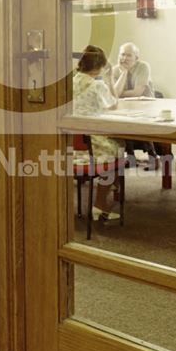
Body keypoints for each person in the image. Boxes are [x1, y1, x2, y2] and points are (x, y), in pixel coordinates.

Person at [73, 45, 125, 220]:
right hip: (91, 145)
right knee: (117, 150)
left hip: (70, 145)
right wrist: (110, 79)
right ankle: (100, 204)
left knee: (115, 147)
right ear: (100, 66)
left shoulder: (71, 81)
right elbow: (113, 105)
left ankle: (111, 189)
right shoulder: (97, 85)